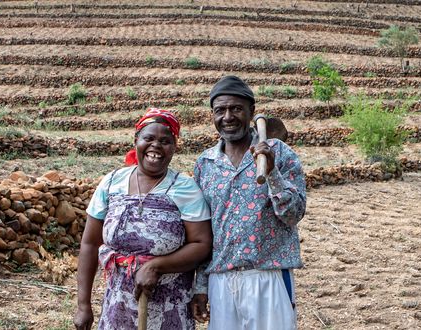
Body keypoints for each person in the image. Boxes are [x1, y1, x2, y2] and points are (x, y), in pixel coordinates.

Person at [74, 108, 212, 330]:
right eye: (148, 138)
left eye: (165, 141)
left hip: (170, 307)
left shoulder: (186, 189)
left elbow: (202, 244)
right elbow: (90, 243)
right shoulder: (111, 183)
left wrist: (157, 266)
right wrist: (83, 305)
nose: (156, 145)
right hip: (117, 306)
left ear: (174, 148)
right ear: (136, 140)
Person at [191, 76, 306, 329]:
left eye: (236, 109)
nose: (228, 116)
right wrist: (200, 287)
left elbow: (293, 214)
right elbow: (202, 230)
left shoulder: (279, 152)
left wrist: (272, 172)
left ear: (251, 112)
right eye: (220, 110)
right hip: (220, 281)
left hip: (268, 276)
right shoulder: (205, 163)